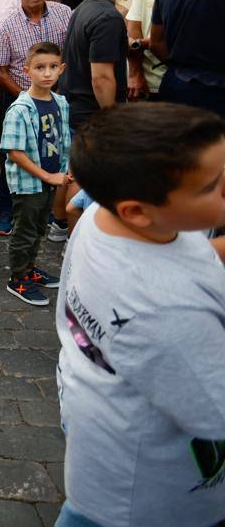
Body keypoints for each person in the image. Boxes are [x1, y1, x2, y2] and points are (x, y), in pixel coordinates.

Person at [54, 102, 225, 527]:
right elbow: (215, 411)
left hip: (101, 432)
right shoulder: (165, 313)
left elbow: (193, 258)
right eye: (214, 186)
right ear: (138, 209)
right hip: (148, 494)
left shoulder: (103, 217)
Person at [0, 0, 74, 235]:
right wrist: (27, 98)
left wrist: (56, 92)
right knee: (14, 155)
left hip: (58, 98)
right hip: (19, 101)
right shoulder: (5, 26)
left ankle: (51, 208)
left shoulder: (65, 14)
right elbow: (0, 69)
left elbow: (71, 56)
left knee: (55, 151)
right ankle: (6, 208)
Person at [0, 42, 71, 306]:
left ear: (62, 69)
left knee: (40, 226)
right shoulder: (21, 109)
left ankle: (29, 269)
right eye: (40, 68)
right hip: (30, 182)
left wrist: (62, 171)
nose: (47, 73)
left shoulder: (60, 103)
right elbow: (15, 152)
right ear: (27, 71)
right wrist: (47, 176)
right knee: (25, 231)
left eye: (53, 67)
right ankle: (17, 278)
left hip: (51, 179)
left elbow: (62, 139)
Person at [62, 0, 142, 132]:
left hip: (79, 113)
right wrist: (112, 123)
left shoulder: (86, 7)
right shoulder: (107, 16)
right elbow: (101, 78)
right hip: (93, 118)